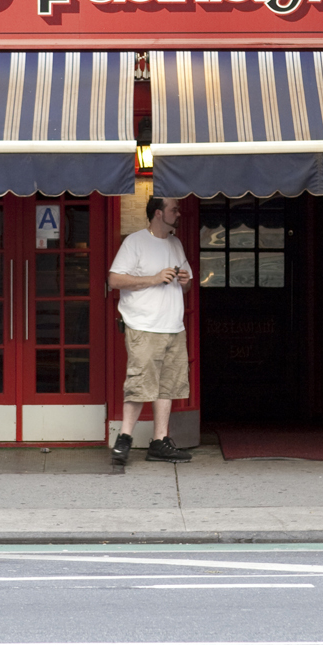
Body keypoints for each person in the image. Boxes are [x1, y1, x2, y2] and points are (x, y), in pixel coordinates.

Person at [106, 196, 195, 464]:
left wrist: (184, 280)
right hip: (144, 326)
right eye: (174, 209)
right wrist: (154, 278)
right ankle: (124, 440)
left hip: (173, 327)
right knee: (139, 384)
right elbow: (114, 279)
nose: (178, 213)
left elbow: (188, 285)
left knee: (167, 386)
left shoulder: (175, 243)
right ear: (158, 213)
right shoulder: (135, 242)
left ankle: (159, 441)